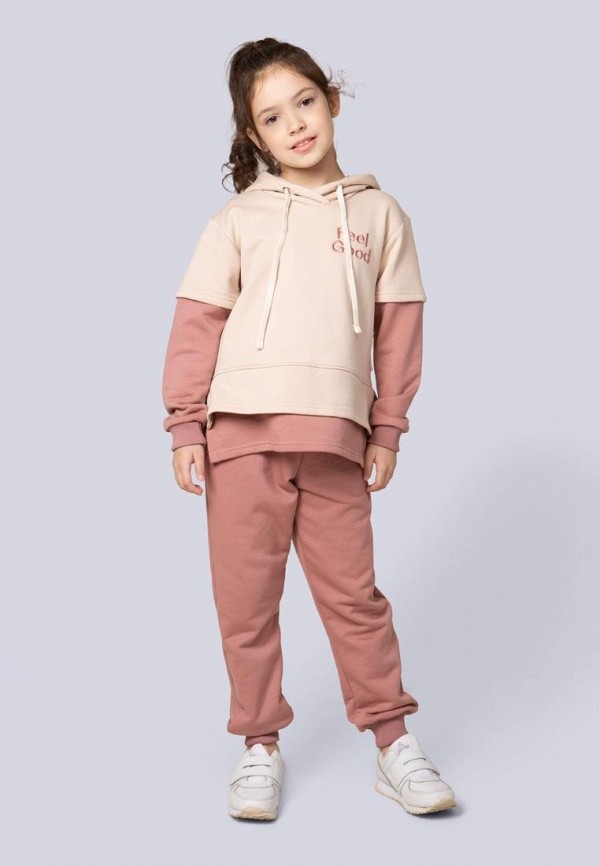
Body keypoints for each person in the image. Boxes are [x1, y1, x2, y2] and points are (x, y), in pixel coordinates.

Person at [161, 37, 457, 821]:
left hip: (334, 442)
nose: (294, 124)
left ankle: (393, 742)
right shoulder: (237, 220)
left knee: (355, 600)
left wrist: (387, 428)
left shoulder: (381, 216)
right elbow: (197, 325)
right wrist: (185, 425)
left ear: (332, 101)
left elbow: (399, 334)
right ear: (253, 136)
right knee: (246, 605)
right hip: (239, 440)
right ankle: (259, 746)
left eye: (304, 102)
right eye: (271, 117)